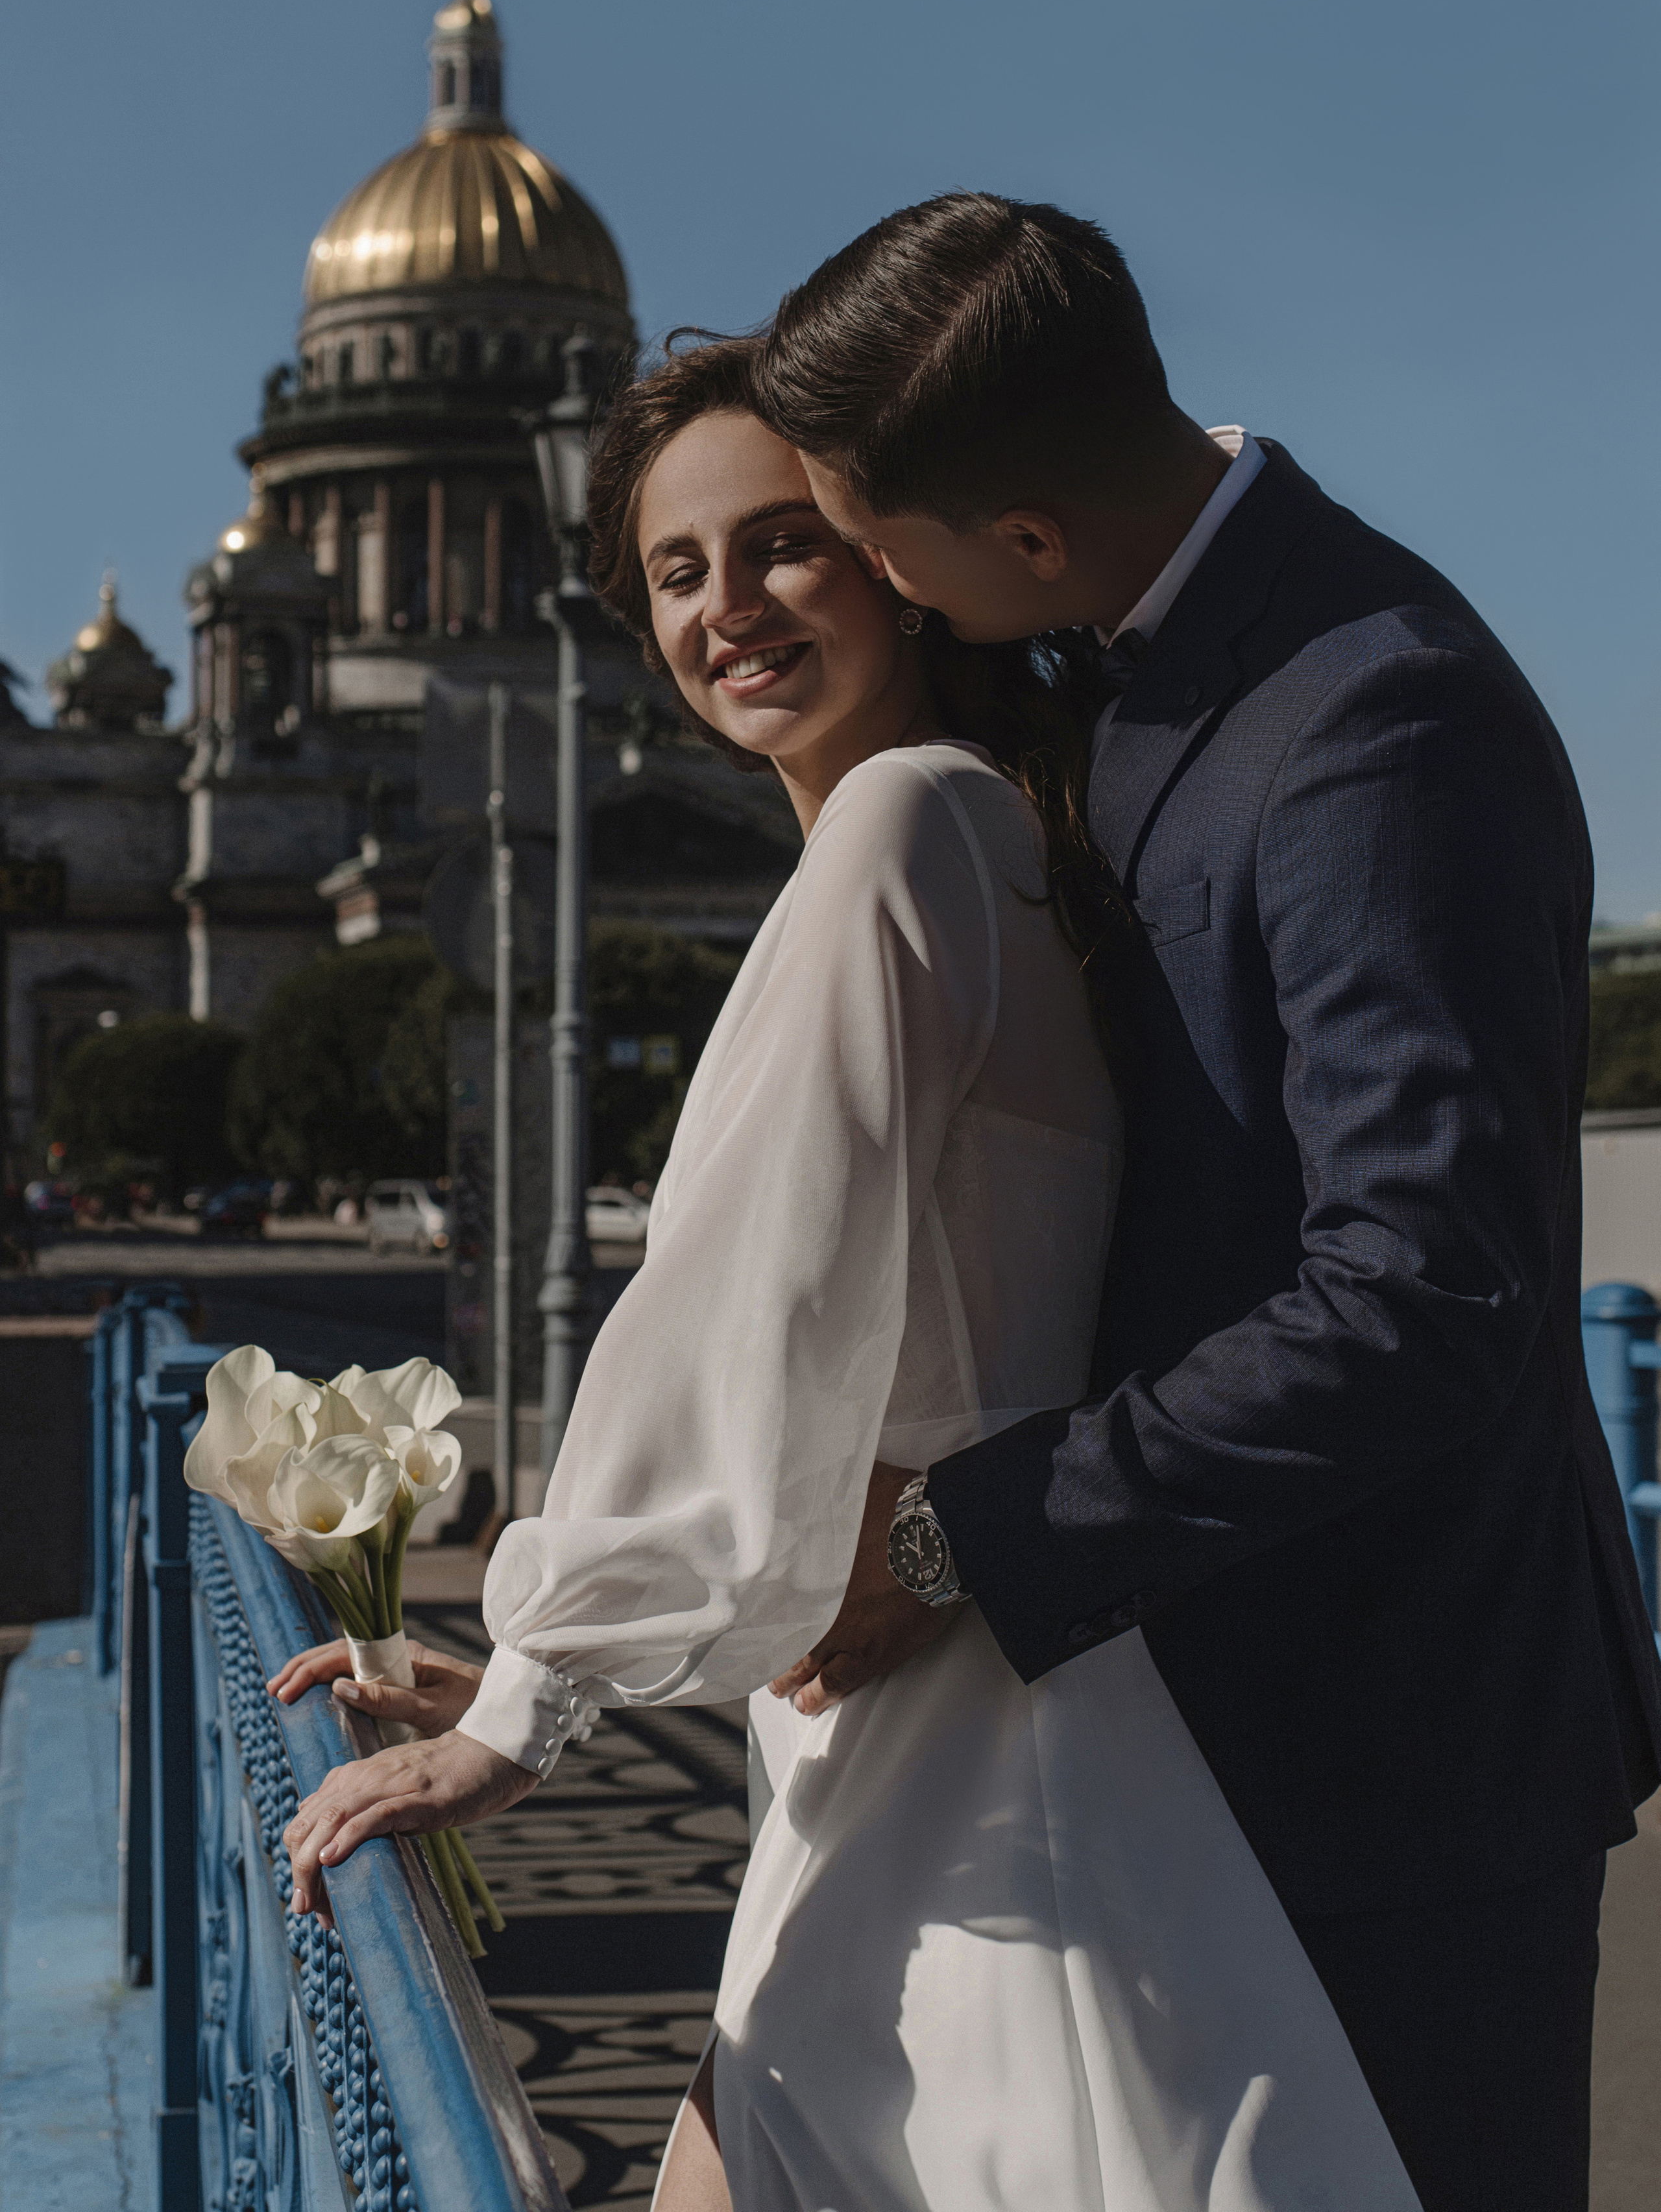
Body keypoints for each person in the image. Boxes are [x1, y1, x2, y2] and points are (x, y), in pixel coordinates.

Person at [275, 338, 1423, 2209]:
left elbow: (750, 1301)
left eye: (781, 545)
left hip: (957, 1754)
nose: (726, 609)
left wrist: (530, 1705)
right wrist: (538, 1666)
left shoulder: (902, 831)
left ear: (892, 558)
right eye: (673, 569)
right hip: (960, 1705)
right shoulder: (985, 832)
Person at [737, 193, 1661, 2212]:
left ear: (1034, 540)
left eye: (877, 546)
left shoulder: (1370, 722)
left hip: (1378, 1744)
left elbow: (1419, 1296)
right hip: (1184, 1714)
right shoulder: (1143, 641)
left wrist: (946, 1532)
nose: (865, 587)